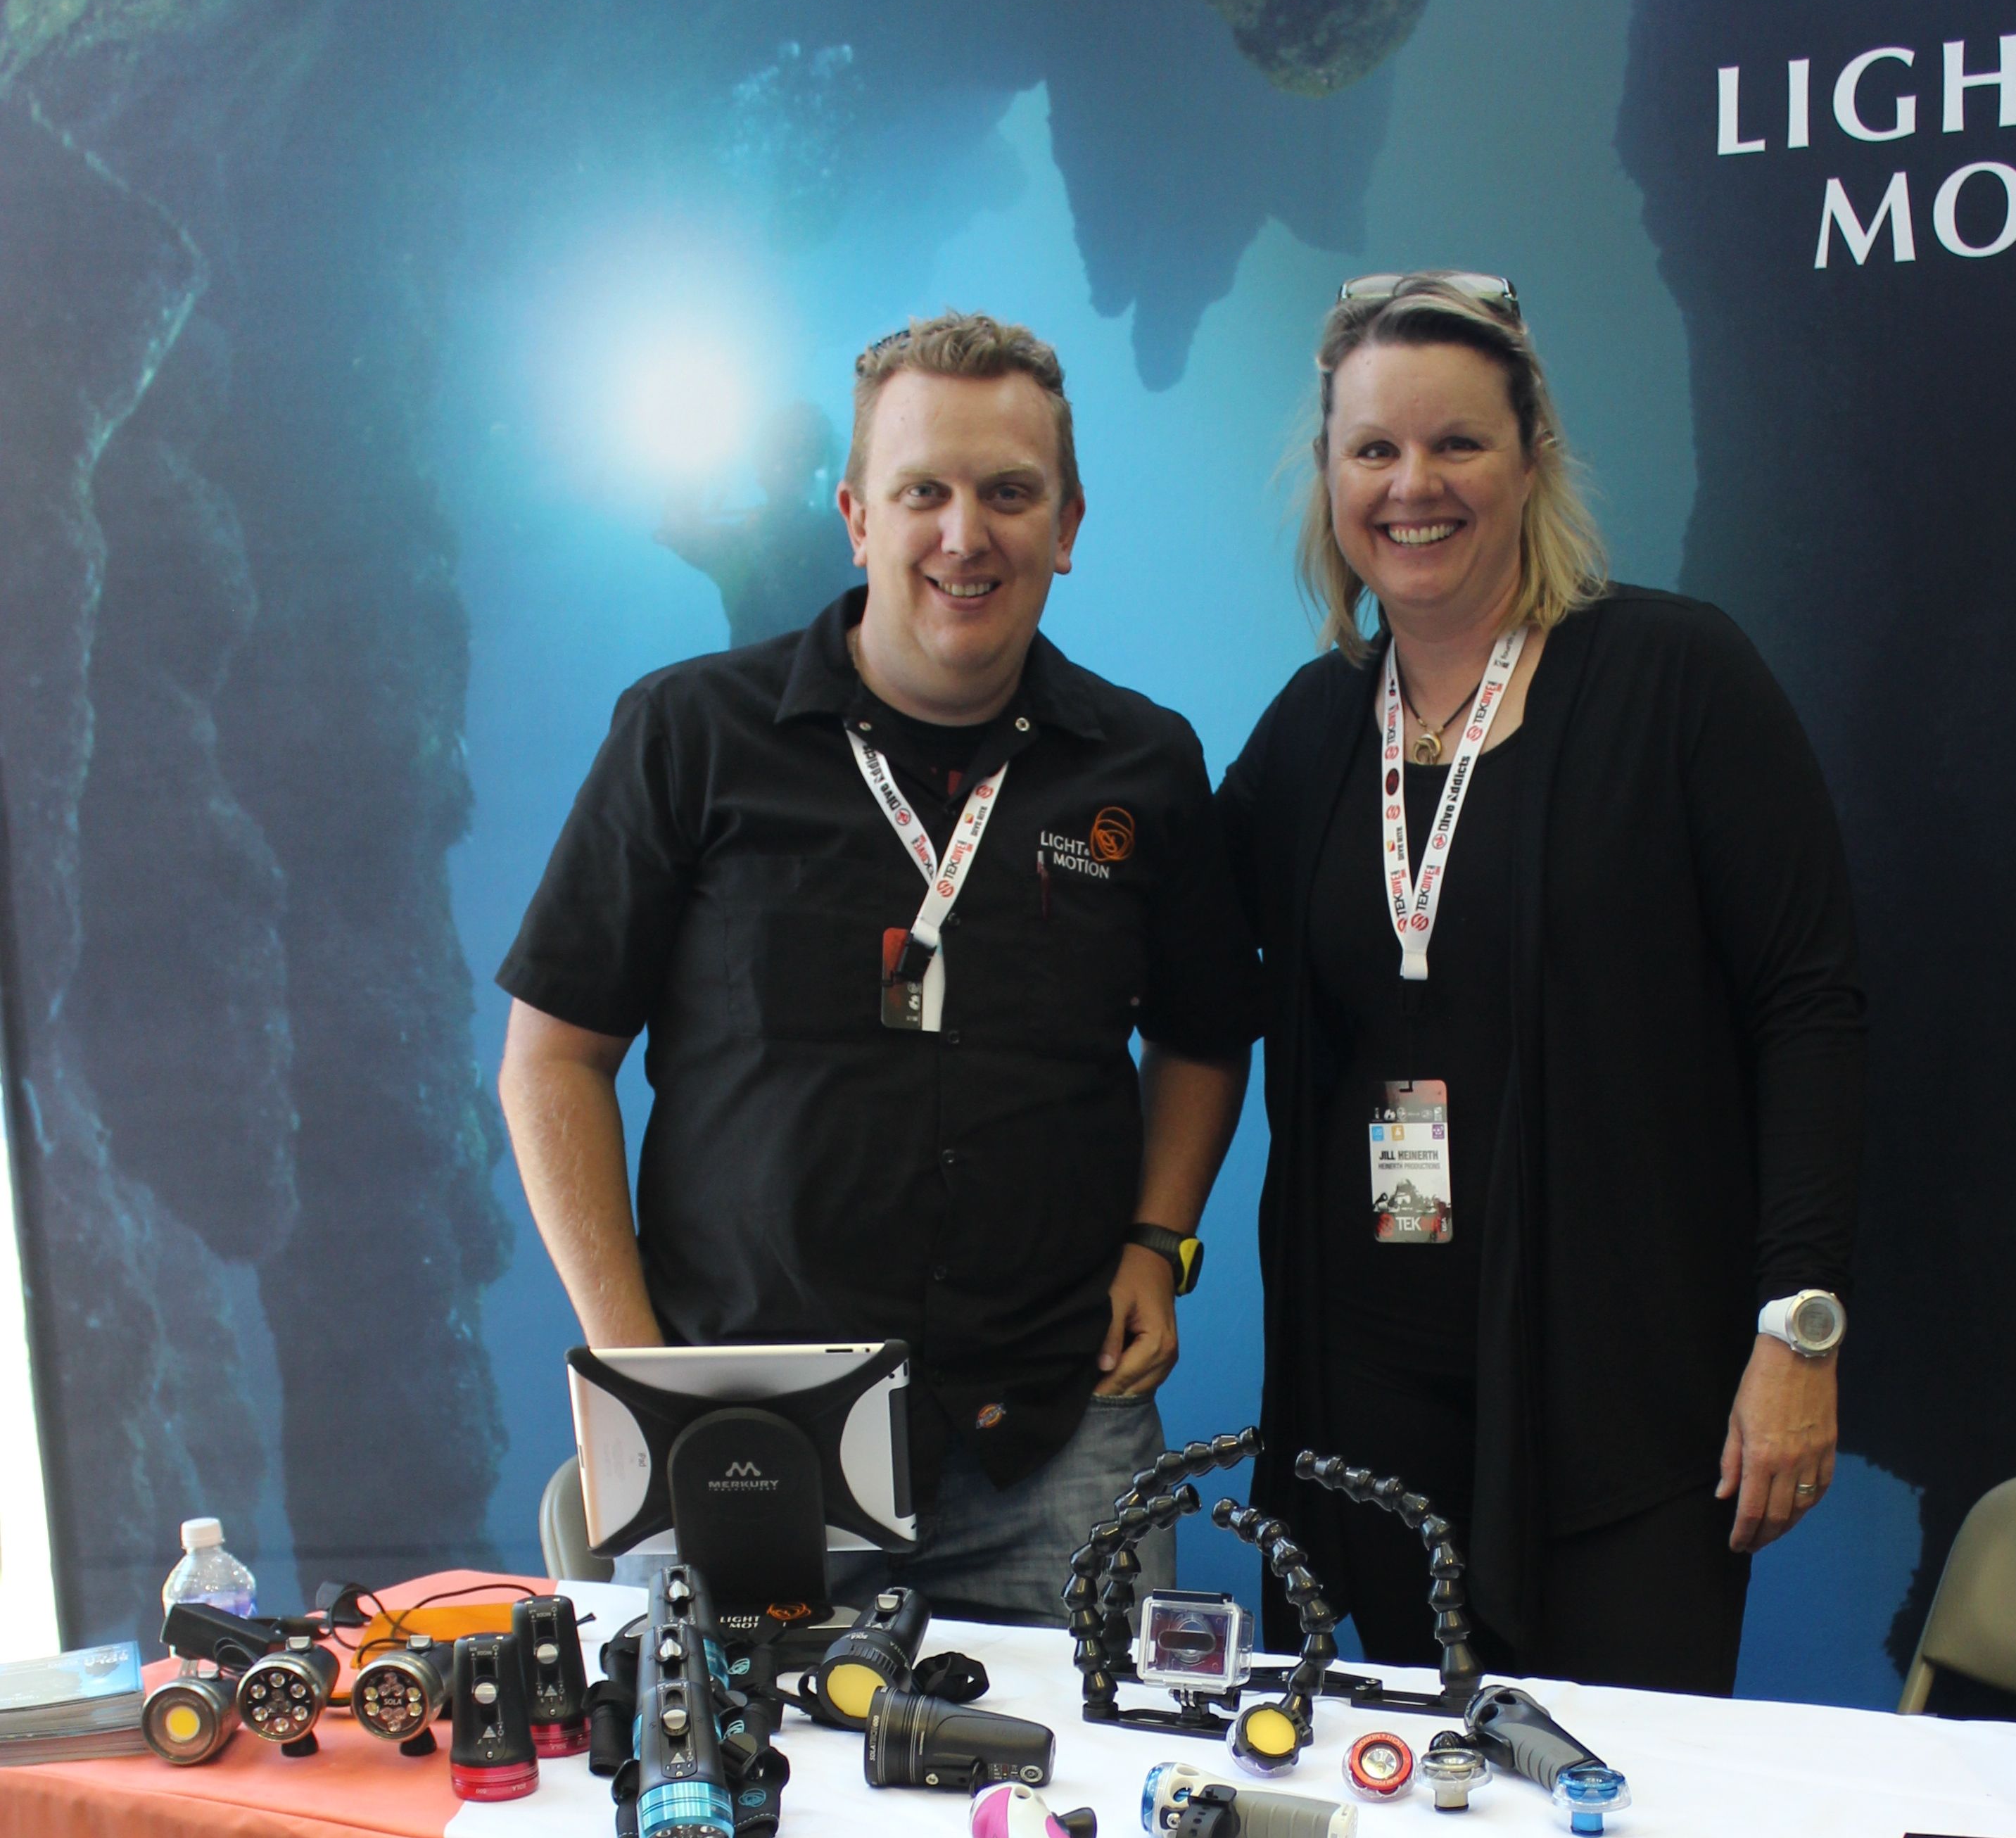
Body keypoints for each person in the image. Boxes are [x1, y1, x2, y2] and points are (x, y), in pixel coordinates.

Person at [497, 312, 1258, 1621]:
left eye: (1009, 493)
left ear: (1068, 525)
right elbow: (551, 1058)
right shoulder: (689, 734)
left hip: (1054, 1432)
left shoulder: (1143, 763)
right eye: (924, 493)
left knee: (1087, 1762)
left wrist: (1159, 1240)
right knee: (738, 1764)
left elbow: (1203, 1031)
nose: (966, 535)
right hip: (747, 1426)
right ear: (857, 517)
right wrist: (633, 1367)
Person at [1218, 273, 1864, 1692]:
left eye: (1458, 443)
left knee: (1623, 1801)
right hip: (1371, 1410)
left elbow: (1808, 1006)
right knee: (1405, 1795)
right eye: (1374, 449)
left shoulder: (1676, 677)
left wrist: (1798, 1329)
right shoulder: (1314, 728)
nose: (1414, 485)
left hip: (1631, 1408)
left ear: (1533, 460)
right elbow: (1180, 965)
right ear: (1329, 477)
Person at [655, 398, 858, 650]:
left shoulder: (740, 544)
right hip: (817, 670)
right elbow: (682, 530)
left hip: (764, 672)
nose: (791, 467)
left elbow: (681, 531)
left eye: (802, 456)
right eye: (784, 455)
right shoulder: (853, 536)